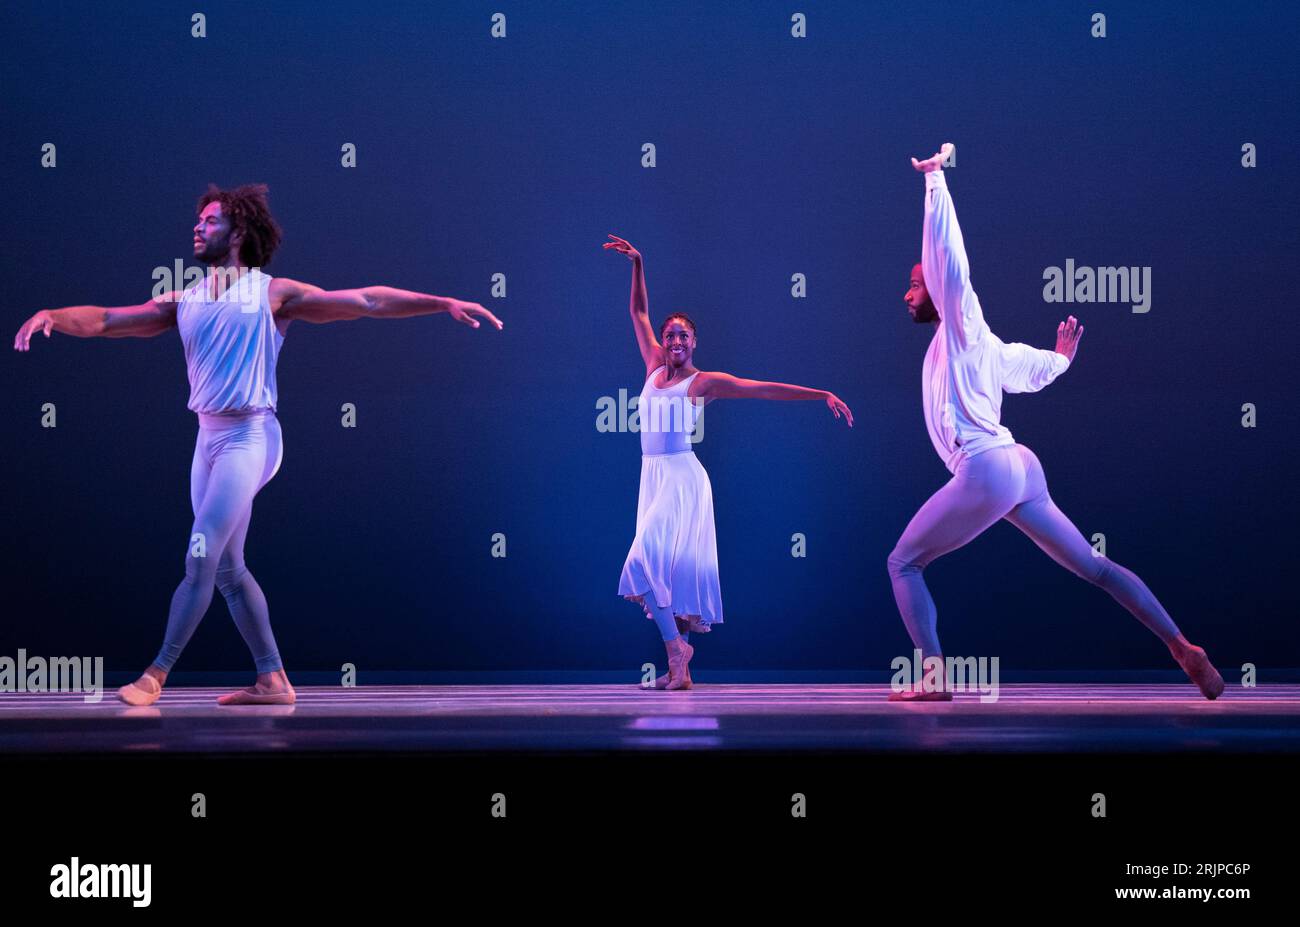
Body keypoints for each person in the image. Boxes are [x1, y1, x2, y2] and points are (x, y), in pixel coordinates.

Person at [13, 183, 502, 706]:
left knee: (200, 554)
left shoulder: (273, 294)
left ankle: (154, 675)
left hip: (251, 436)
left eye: (210, 220)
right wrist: (54, 317)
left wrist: (442, 302)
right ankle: (273, 679)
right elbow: (109, 319)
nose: (197, 227)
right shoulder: (185, 299)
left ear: (240, 231)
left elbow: (365, 301)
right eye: (197, 221)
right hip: (208, 440)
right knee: (226, 568)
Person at [887, 145, 1223, 701]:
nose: (909, 290)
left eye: (915, 283)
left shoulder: (963, 323)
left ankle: (933, 678)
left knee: (903, 563)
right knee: (1094, 566)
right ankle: (1182, 645)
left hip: (988, 468)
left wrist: (934, 184)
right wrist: (1062, 359)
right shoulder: (983, 346)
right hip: (1021, 467)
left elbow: (948, 259)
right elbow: (1033, 367)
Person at [604, 234, 854, 690]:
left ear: (695, 341)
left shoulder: (703, 383)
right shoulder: (653, 367)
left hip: (682, 477)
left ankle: (678, 650)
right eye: (670, 334)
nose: (675, 339)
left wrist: (820, 394)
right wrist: (639, 263)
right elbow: (637, 313)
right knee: (669, 577)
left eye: (683, 334)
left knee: (643, 560)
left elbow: (762, 388)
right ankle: (678, 666)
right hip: (652, 476)